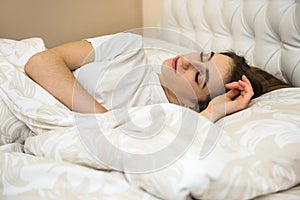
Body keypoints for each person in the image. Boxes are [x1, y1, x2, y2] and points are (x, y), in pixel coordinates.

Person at [24, 33, 264, 123]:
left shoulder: (177, 120)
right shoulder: (129, 48)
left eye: (199, 75)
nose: (187, 61)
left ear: (197, 102)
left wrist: (212, 112)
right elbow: (40, 62)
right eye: (201, 55)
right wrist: (106, 120)